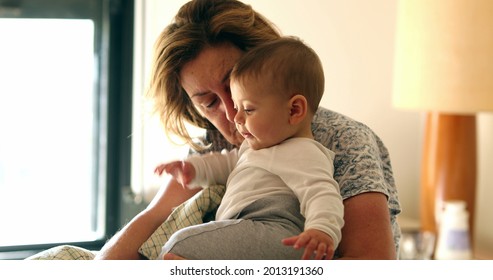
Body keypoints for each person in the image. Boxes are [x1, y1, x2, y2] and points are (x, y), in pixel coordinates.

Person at [96, 0, 401, 260]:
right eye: (209, 102)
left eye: (233, 87)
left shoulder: (342, 139)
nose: (232, 114)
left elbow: (371, 263)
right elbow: (153, 218)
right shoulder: (214, 143)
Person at [153, 37, 344, 260]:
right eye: (237, 107)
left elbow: (322, 192)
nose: (236, 117)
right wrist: (193, 169)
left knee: (179, 244)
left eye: (249, 109)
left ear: (294, 110)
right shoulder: (254, 148)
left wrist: (321, 231)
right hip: (247, 228)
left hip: (275, 230)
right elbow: (224, 163)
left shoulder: (303, 151)